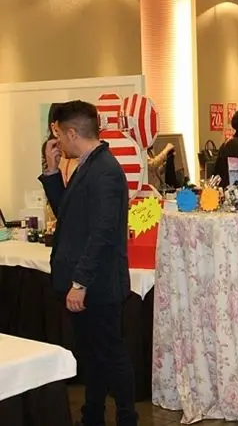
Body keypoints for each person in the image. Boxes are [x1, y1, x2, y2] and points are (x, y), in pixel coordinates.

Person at [38, 100, 138, 426]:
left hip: (98, 284)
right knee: (92, 356)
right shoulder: (88, 165)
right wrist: (51, 170)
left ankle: (127, 417)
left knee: (111, 354)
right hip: (88, 282)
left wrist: (79, 283)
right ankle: (92, 414)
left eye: (59, 135)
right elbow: (69, 215)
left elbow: (102, 233)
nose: (57, 142)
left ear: (71, 133)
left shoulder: (104, 170)